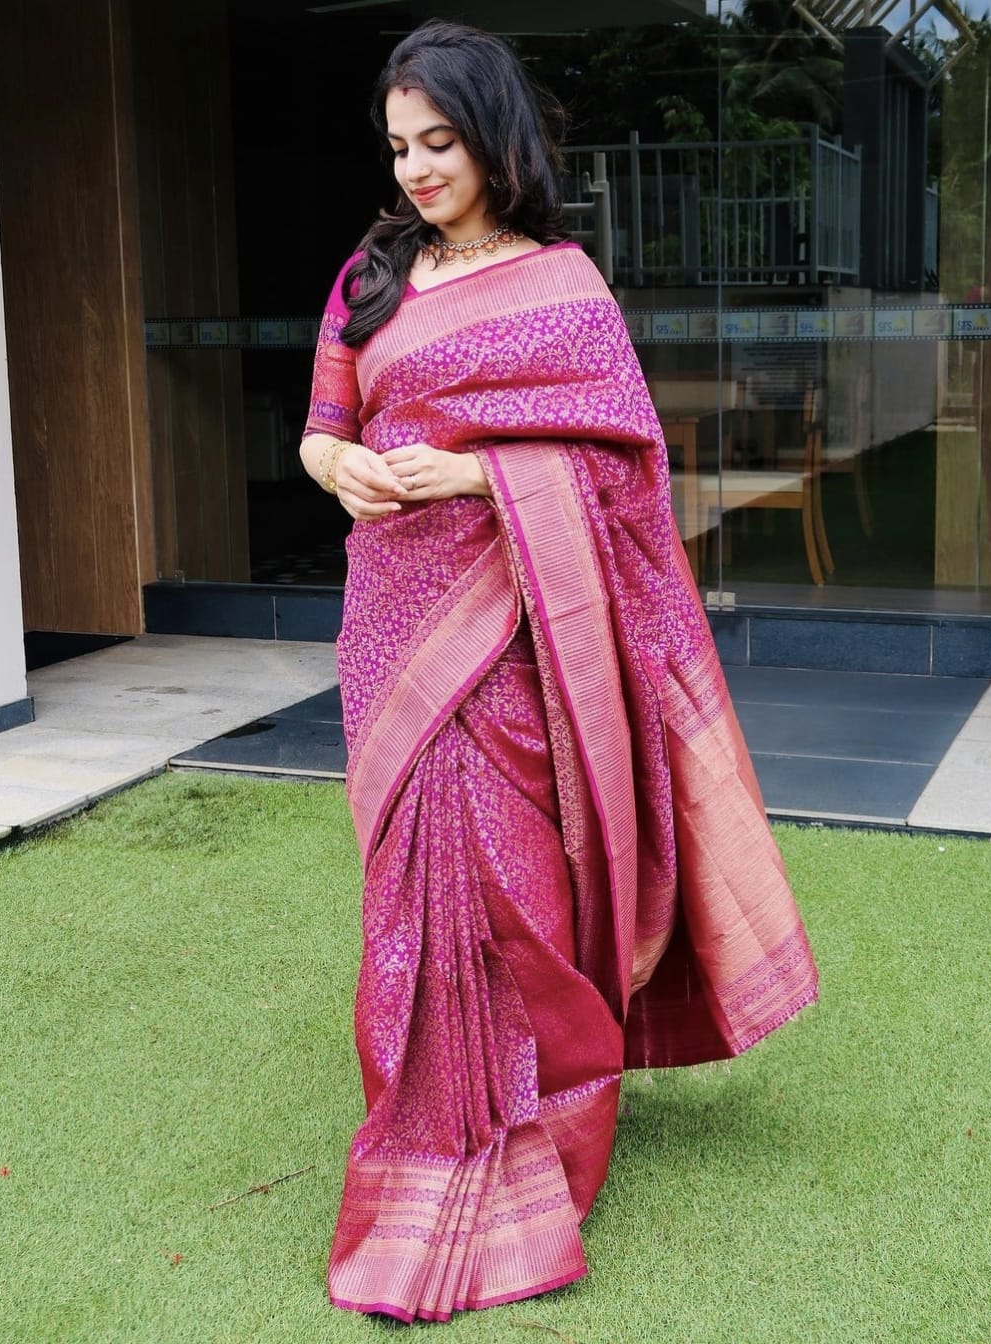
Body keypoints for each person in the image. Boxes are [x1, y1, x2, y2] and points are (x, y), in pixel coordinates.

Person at [300, 19, 818, 1324]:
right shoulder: (370, 277)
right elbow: (325, 426)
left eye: (441, 142)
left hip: (524, 644)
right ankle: (429, 1128)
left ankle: (547, 1116)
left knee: (522, 893)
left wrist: (481, 472)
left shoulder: (564, 288)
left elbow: (629, 469)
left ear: (493, 137)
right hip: (396, 629)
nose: (417, 169)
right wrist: (343, 469)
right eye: (400, 146)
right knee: (412, 905)